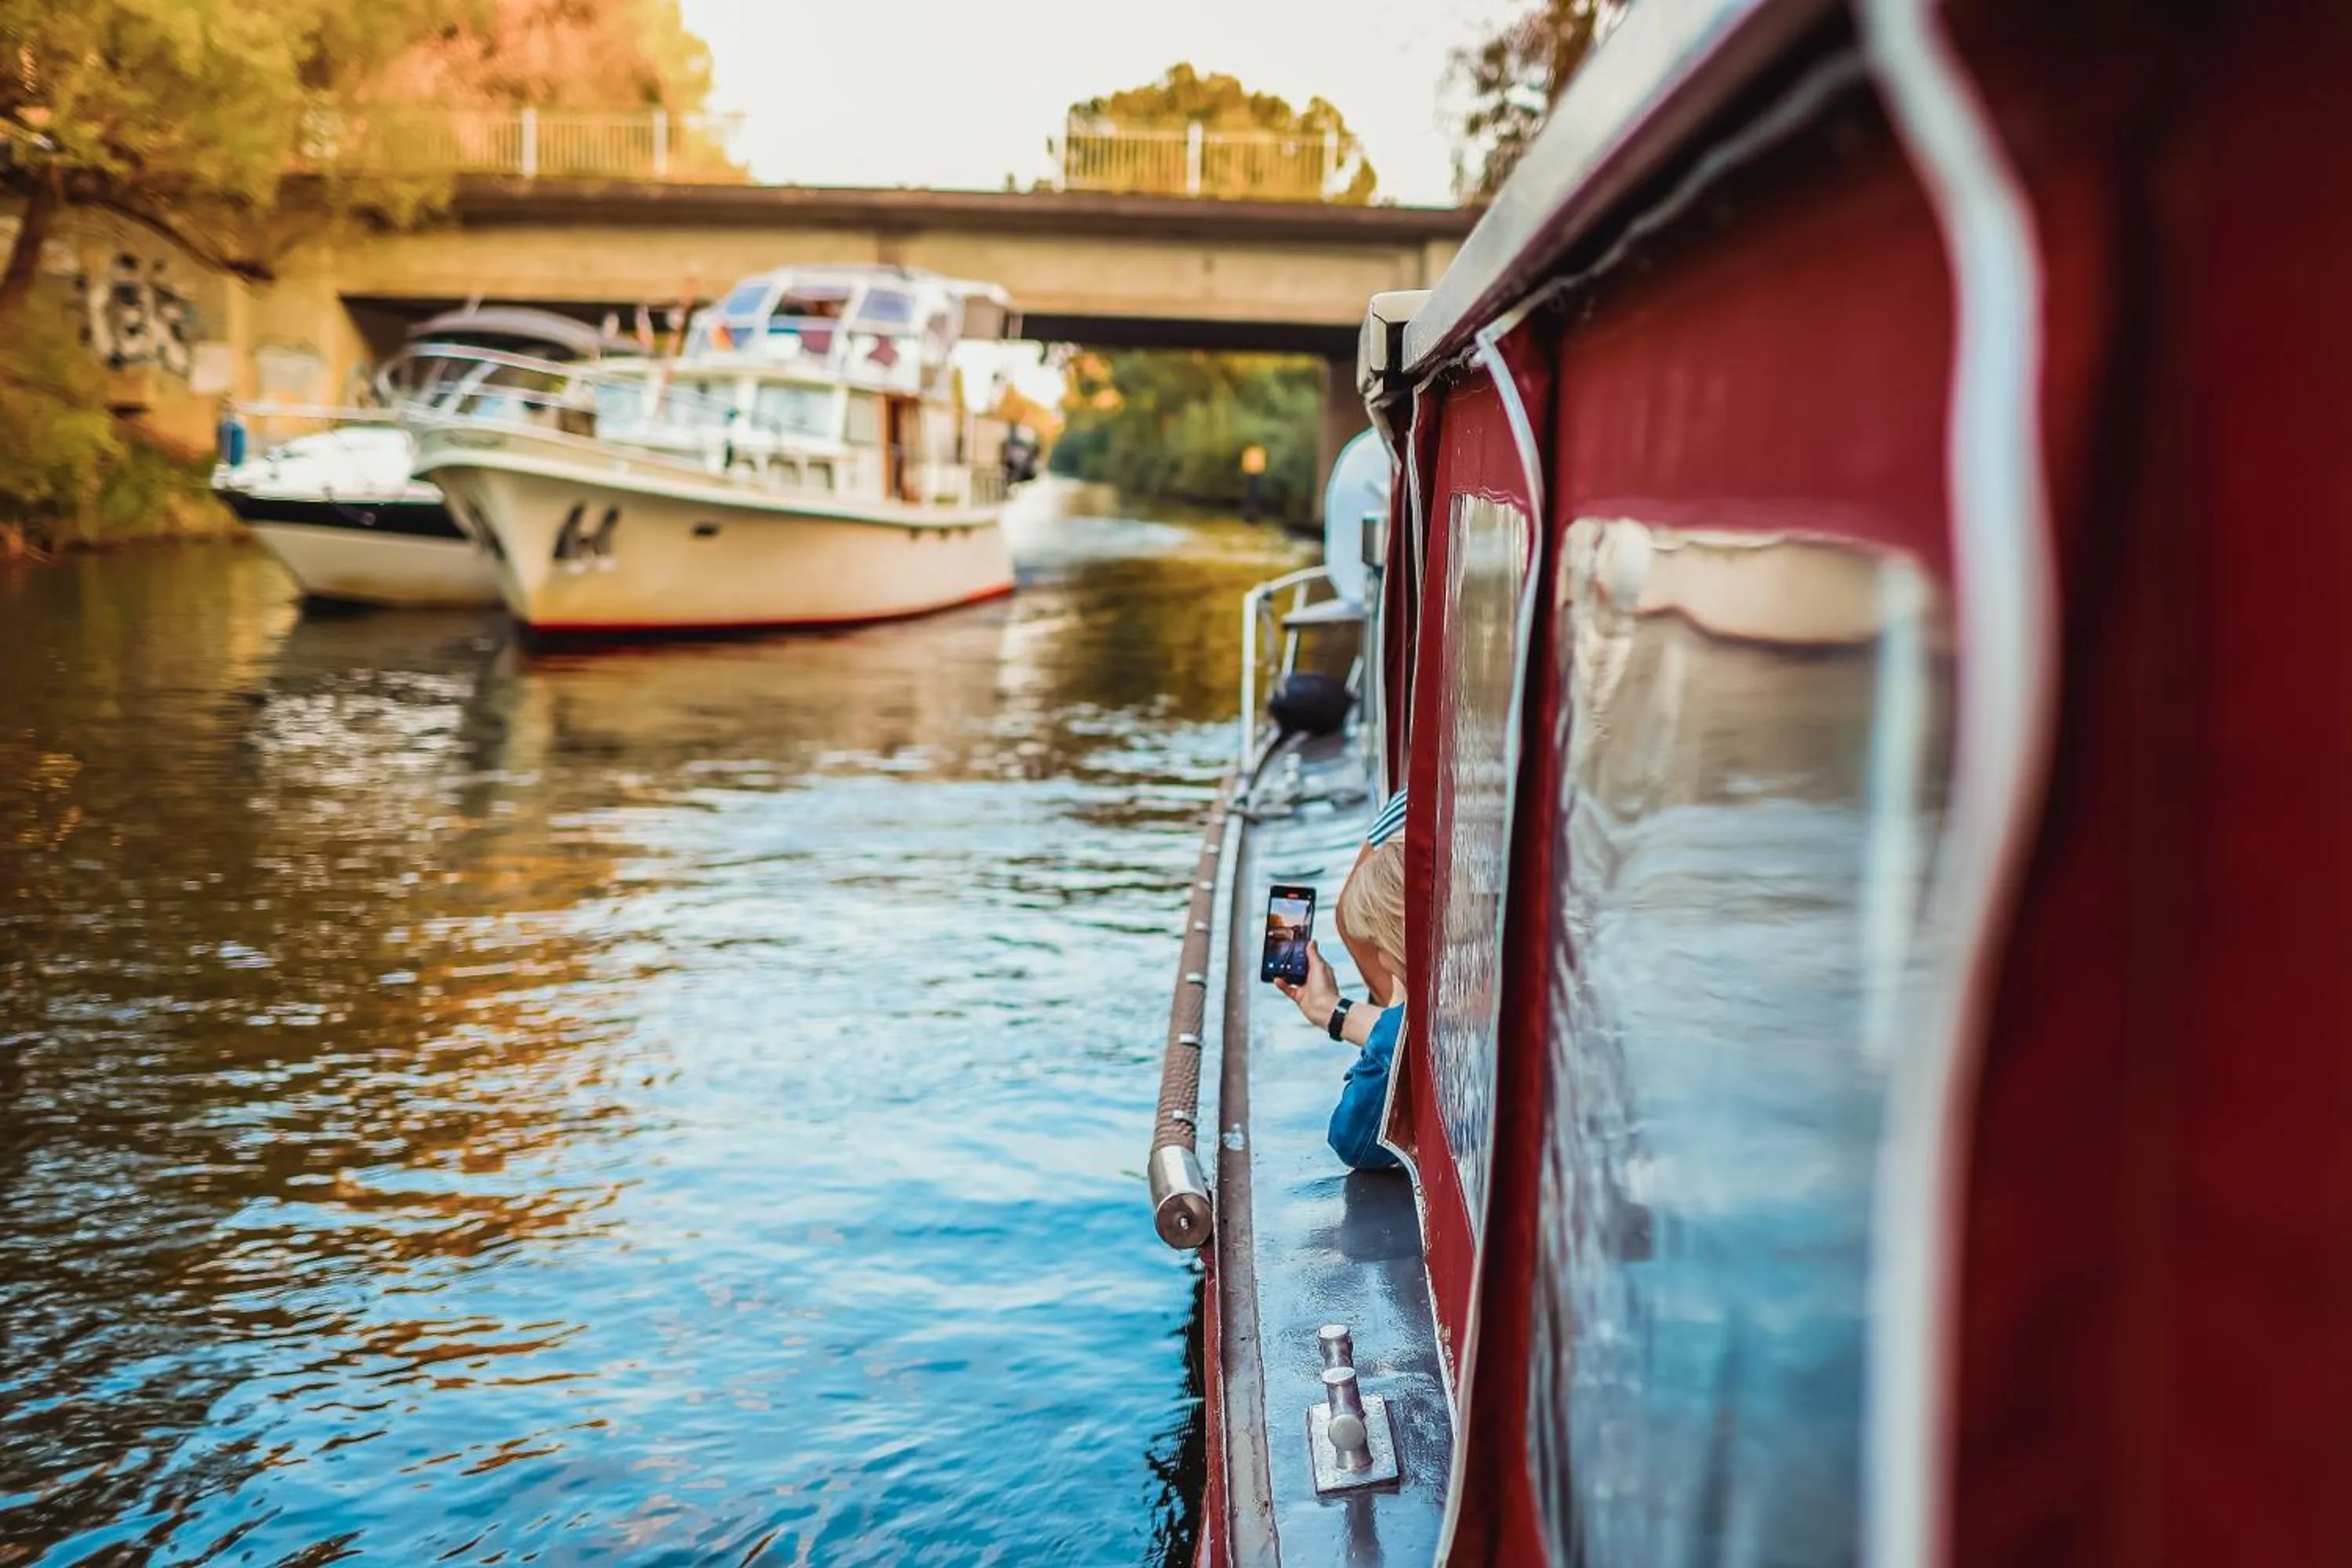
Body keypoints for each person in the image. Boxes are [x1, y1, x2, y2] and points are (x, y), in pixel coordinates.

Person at [1274, 832, 1407, 1171]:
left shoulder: (1403, 1033)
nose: (1380, 960)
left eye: (1379, 946)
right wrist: (1331, 1009)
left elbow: (1353, 1140)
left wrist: (1399, 1006)